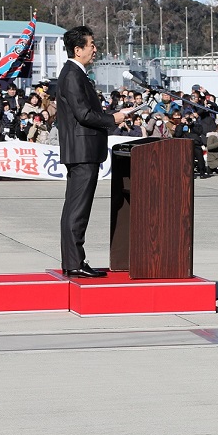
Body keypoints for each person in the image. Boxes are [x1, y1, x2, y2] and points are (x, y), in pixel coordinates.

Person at [56, 26, 128, 279]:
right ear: (78, 50)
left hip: (83, 149)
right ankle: (74, 262)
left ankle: (74, 260)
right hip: (82, 150)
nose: (95, 49)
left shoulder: (75, 74)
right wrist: (113, 117)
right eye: (91, 45)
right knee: (77, 209)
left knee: (76, 208)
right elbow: (83, 114)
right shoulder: (72, 75)